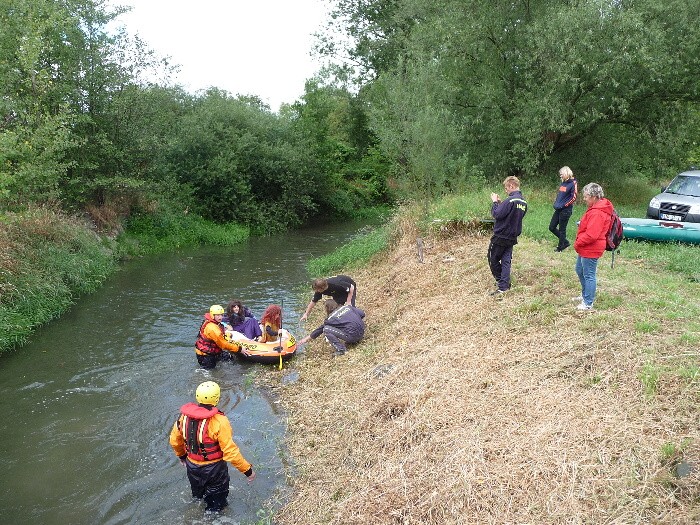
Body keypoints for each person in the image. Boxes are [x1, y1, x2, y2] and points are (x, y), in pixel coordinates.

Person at [169, 381, 256, 513]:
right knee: (217, 507)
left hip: (192, 467)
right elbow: (231, 452)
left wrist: (182, 456)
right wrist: (248, 471)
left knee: (198, 498)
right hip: (214, 470)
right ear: (217, 398)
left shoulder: (184, 418)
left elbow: (174, 441)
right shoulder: (220, 421)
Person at [573, 183, 613, 311]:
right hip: (587, 246)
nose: (584, 199)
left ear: (594, 197)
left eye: (586, 196)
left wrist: (578, 242)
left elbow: (592, 234)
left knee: (589, 274)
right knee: (579, 270)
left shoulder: (597, 212)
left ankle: (588, 303)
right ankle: (585, 295)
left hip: (591, 247)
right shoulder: (595, 208)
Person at [487, 176, 528, 295]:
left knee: (492, 258)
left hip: (500, 236)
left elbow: (496, 214)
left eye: (506, 188)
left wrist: (495, 202)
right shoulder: (524, 203)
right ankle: (504, 286)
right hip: (512, 237)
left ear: (511, 186)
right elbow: (512, 215)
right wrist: (501, 203)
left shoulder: (509, 201)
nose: (506, 191)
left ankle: (501, 281)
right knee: (506, 261)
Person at [298, 285, 365, 356]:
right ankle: (352, 338)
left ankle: (341, 350)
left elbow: (319, 330)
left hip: (353, 337)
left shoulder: (330, 319)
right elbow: (362, 314)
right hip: (362, 332)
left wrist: (304, 340)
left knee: (326, 329)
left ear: (327, 308)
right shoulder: (347, 307)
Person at [549, 166, 578, 252]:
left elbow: (574, 197)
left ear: (566, 173)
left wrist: (565, 205)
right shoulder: (563, 183)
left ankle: (560, 247)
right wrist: (556, 203)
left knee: (562, 229)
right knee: (551, 227)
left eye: (561, 174)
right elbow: (560, 195)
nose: (560, 176)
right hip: (558, 209)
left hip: (566, 210)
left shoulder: (573, 183)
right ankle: (565, 242)